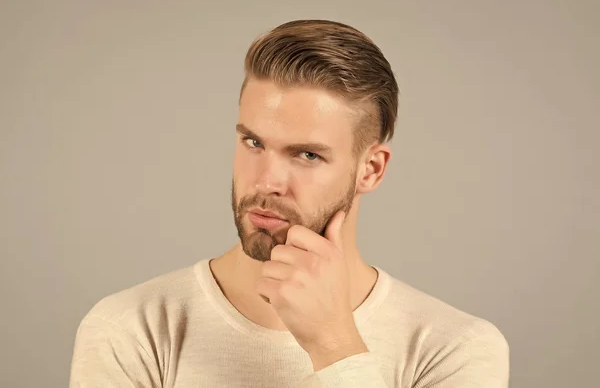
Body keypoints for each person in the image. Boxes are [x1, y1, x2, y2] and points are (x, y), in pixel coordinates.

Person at [69, 19, 509, 387]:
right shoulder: (132, 329)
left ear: (370, 170)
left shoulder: (454, 348)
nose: (266, 182)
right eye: (254, 142)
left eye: (308, 155)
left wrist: (335, 344)